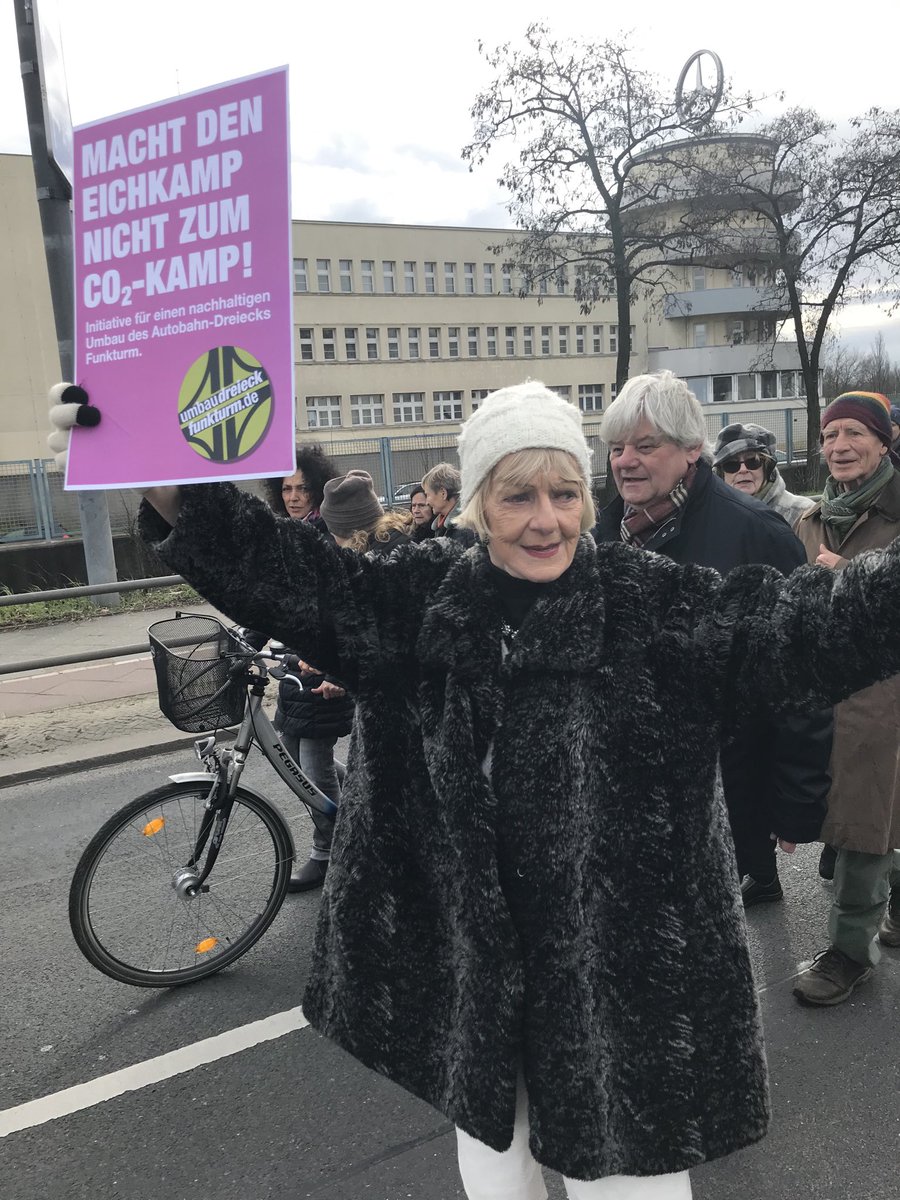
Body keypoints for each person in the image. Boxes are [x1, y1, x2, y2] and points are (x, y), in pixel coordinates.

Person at [52, 379, 900, 1197]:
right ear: (478, 505)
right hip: (475, 970)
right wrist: (162, 478)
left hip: (620, 979)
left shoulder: (659, 608)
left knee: (632, 1185)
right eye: (518, 495)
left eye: (565, 494)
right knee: (497, 1171)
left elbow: (808, 624)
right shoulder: (415, 600)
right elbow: (287, 571)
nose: (546, 520)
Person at [594, 373, 832, 909]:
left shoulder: (759, 534)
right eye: (616, 448)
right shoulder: (602, 537)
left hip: (722, 789)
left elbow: (801, 677)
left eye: (645, 446)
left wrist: (797, 798)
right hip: (624, 791)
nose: (624, 460)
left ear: (692, 449)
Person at [792, 390, 900, 1006]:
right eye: (830, 436)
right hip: (823, 693)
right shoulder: (810, 519)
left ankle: (849, 952)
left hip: (882, 694)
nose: (839, 447)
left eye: (855, 433)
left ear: (883, 442)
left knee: (865, 816)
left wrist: (847, 578)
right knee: (875, 810)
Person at [262, 445, 354, 891]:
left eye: (302, 488)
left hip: (323, 670)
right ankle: (367, 796)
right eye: (285, 488)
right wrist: (249, 635)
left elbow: (345, 608)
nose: (293, 496)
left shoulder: (325, 536)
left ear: (318, 490)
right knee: (295, 758)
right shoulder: (289, 532)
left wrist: (337, 672)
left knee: (312, 772)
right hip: (297, 665)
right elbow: (276, 601)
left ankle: (327, 854)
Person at [712, 422, 815, 527]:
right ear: (721, 474)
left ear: (767, 467)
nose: (743, 469)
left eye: (752, 461)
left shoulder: (803, 514)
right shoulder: (710, 518)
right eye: (731, 464)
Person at [421, 462, 475, 544]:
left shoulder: (465, 530)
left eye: (428, 495)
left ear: (443, 493)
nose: (427, 502)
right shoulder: (445, 527)